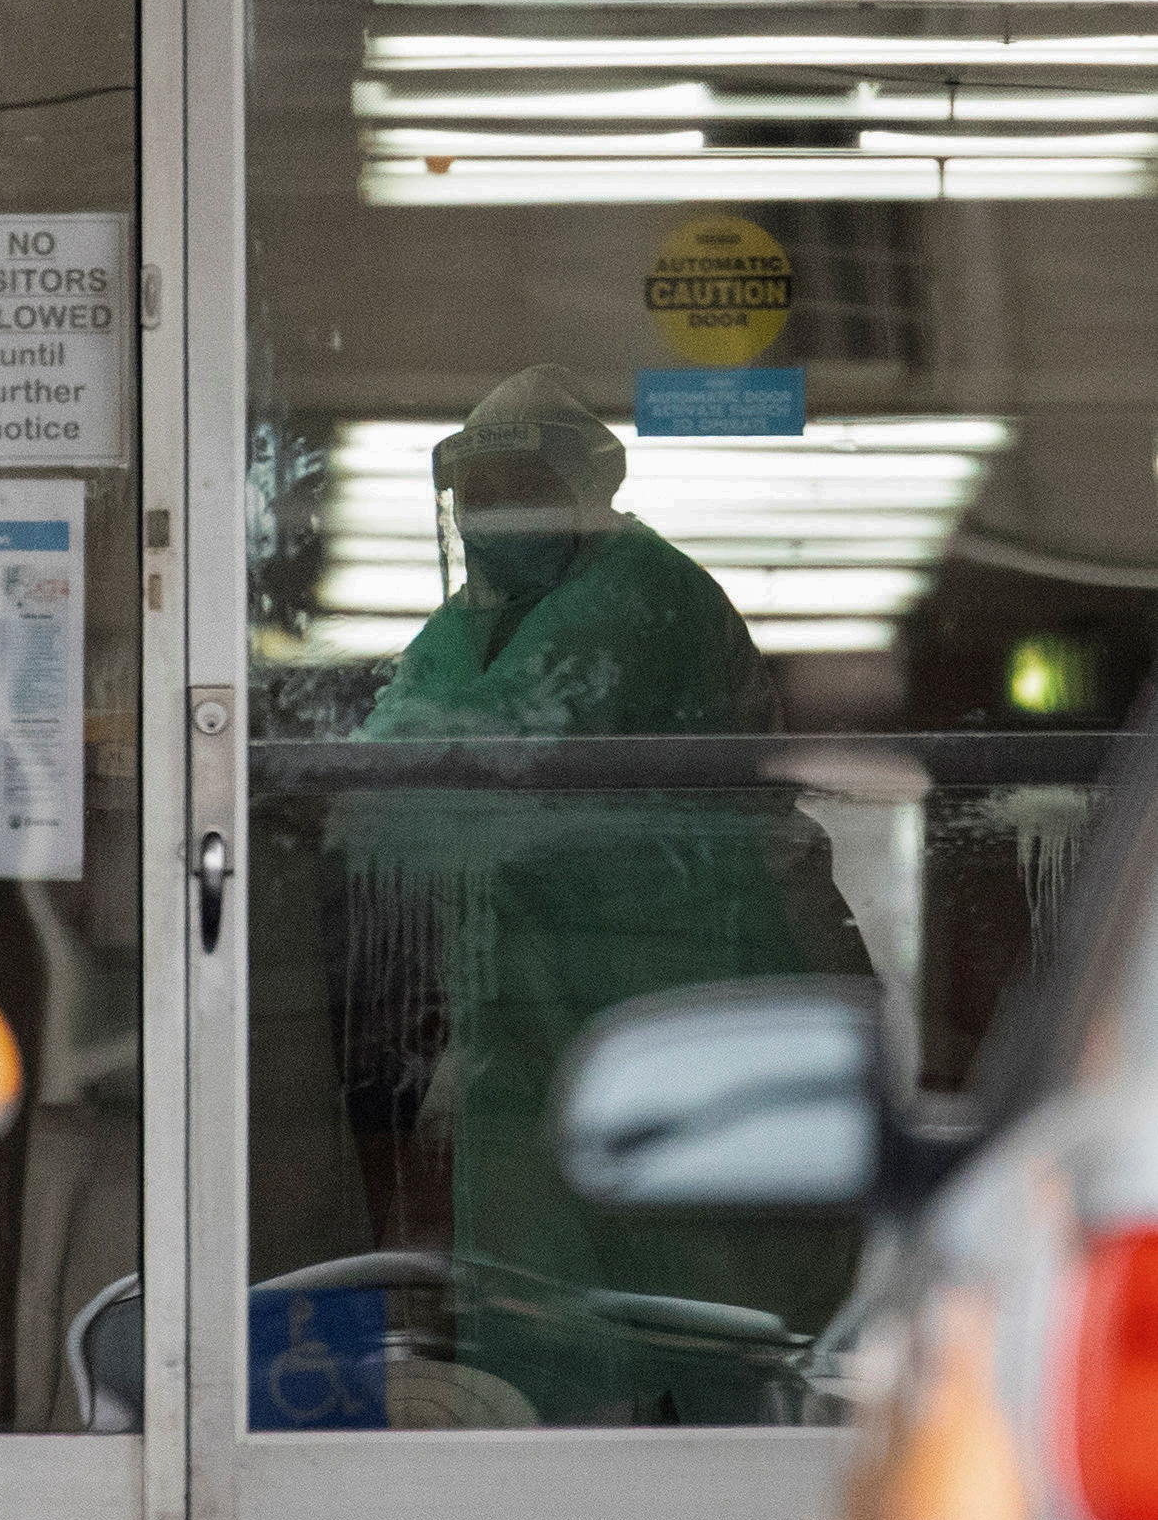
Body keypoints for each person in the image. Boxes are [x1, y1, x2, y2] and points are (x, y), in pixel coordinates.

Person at [336, 364, 870, 1425]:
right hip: (537, 992)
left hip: (679, 970)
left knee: (703, 1292)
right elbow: (382, 766)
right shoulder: (479, 618)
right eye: (475, 491)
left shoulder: (642, 595)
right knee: (538, 1300)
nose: (494, 513)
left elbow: (493, 749)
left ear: (585, 484)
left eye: (517, 484)